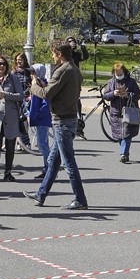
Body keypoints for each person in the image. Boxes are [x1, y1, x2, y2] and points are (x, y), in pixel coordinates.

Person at [26, 41, 89, 210]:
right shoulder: (74, 69)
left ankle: (80, 199)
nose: (52, 56)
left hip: (62, 121)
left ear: (60, 54)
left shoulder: (62, 70)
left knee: (69, 163)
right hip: (69, 118)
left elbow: (46, 94)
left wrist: (33, 86)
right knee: (54, 161)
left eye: (53, 53)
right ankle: (41, 194)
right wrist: (45, 85)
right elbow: (59, 91)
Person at [0, 55, 25, 181]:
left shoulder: (13, 78)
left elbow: (21, 96)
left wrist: (6, 95)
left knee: (10, 145)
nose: (1, 66)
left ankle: (8, 172)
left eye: (3, 63)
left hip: (11, 116)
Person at [103, 62, 140, 163]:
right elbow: (106, 95)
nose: (119, 75)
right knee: (119, 135)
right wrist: (113, 93)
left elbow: (138, 95)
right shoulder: (111, 82)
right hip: (116, 112)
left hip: (128, 111)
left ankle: (123, 153)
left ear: (124, 71)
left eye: (120, 73)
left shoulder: (131, 82)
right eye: (117, 73)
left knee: (127, 134)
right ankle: (125, 152)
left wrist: (128, 95)